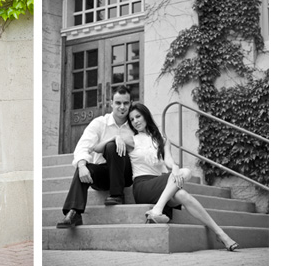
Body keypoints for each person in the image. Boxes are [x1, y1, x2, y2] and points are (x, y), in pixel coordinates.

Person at [126, 103, 239, 251]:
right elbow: (109, 143)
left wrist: (175, 168)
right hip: (142, 186)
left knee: (183, 188)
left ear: (146, 116)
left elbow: (168, 161)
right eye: (132, 119)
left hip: (161, 185)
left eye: (138, 116)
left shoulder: (162, 140)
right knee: (182, 176)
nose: (135, 121)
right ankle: (157, 210)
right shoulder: (130, 139)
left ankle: (220, 234)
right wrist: (116, 139)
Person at [56, 86, 135, 228]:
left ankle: (117, 195)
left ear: (131, 103)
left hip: (126, 174)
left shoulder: (134, 124)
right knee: (84, 167)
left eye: (126, 103)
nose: (122, 107)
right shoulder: (100, 123)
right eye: (118, 103)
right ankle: (74, 213)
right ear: (111, 103)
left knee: (112, 147)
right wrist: (81, 166)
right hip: (104, 174)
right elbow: (83, 146)